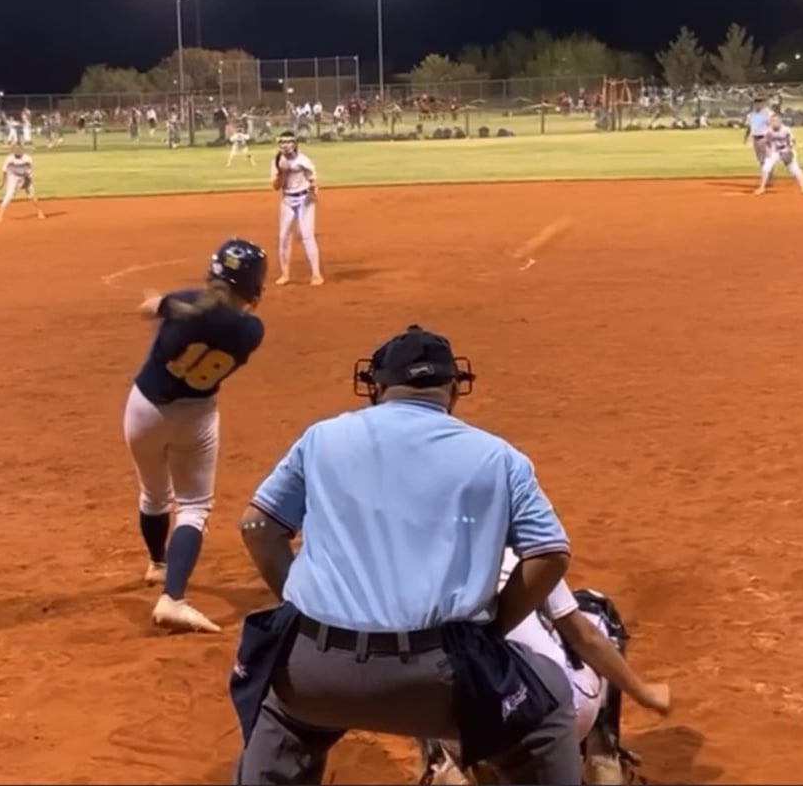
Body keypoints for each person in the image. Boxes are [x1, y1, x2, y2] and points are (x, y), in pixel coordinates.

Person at [230, 325, 579, 785]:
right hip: (439, 681)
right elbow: (550, 555)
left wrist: (299, 606)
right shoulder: (498, 456)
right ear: (454, 389)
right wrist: (494, 629)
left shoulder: (321, 438)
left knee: (280, 717)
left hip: (314, 674)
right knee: (548, 703)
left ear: (375, 387)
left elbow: (256, 526)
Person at [418, 551, 672, 785]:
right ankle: (604, 765)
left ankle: (444, 768)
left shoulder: (415, 569)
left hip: (467, 734)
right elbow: (586, 638)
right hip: (554, 721)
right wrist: (645, 693)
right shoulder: (516, 552)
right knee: (596, 608)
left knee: (423, 660)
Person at [124, 239, 269, 634]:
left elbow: (153, 308)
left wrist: (158, 302)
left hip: (143, 410)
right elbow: (224, 318)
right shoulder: (251, 331)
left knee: (154, 493)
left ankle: (157, 563)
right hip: (195, 417)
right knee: (193, 506)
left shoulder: (185, 302)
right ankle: (172, 597)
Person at [270, 130, 324, 286]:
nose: (285, 145)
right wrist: (282, 172)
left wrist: (313, 192)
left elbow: (313, 181)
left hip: (304, 199)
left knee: (307, 235)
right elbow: (276, 186)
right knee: (283, 237)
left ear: (295, 144)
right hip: (287, 200)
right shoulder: (277, 161)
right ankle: (285, 274)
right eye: (282, 142)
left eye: (288, 142)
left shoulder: (304, 161)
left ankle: (316, 274)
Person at [755, 113, 803, 195]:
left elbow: (792, 142)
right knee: (766, 168)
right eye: (773, 121)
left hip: (786, 150)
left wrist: (789, 151)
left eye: (777, 120)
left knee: (795, 170)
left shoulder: (786, 130)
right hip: (775, 151)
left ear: (780, 121)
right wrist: (769, 152)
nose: (775, 122)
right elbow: (767, 142)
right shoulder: (769, 131)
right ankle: (761, 188)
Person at [0, 144, 44, 221]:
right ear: (13, 151)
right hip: (13, 177)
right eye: (15, 150)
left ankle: (39, 211)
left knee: (32, 195)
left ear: (22, 150)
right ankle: (0, 215)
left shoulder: (27, 158)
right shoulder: (9, 159)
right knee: (8, 196)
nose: (17, 151)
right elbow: (4, 171)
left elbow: (28, 172)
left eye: (19, 149)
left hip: (24, 176)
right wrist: (3, 183)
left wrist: (26, 183)